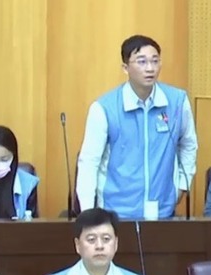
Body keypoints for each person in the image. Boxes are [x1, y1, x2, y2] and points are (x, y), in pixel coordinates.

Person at [77, 35, 197, 220]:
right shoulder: (104, 108)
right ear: (125, 68)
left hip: (163, 212)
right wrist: (87, 214)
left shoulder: (177, 102)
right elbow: (89, 162)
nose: (150, 68)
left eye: (155, 61)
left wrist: (181, 186)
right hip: (115, 214)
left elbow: (189, 144)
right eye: (142, 62)